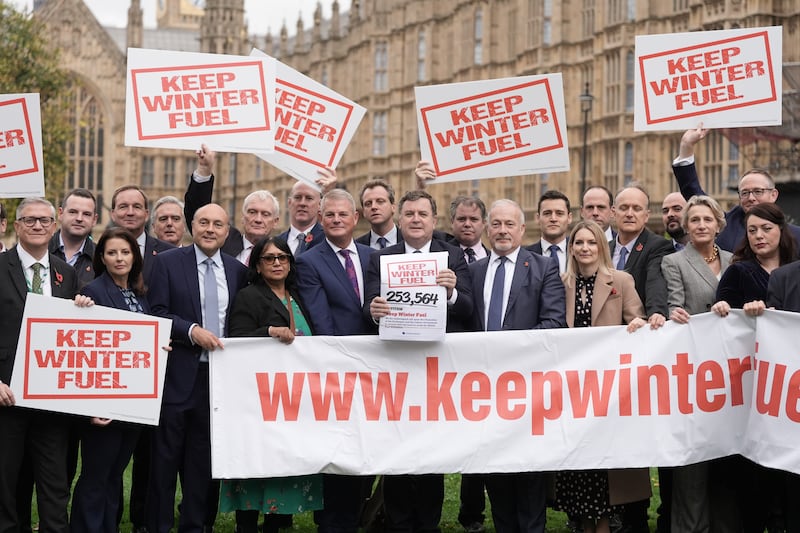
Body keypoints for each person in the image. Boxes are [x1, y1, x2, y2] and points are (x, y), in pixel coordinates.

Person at [366, 189, 473, 533]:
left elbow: (469, 310)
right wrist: (373, 309)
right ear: (399, 219)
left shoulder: (453, 257)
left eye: (422, 214)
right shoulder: (381, 258)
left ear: (434, 220)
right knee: (397, 445)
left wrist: (453, 292)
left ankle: (428, 522)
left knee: (431, 449)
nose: (415, 219)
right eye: (409, 213)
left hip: (435, 370)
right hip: (396, 368)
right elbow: (366, 306)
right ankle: (398, 521)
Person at [145, 203, 248, 533]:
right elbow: (157, 312)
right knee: (165, 459)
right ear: (193, 225)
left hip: (218, 380)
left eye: (218, 224)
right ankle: (158, 524)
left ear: (227, 231)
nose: (210, 229)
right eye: (204, 222)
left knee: (202, 460)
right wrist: (191, 331)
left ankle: (194, 524)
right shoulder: (168, 264)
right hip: (177, 374)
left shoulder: (236, 271)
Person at [469, 199, 566, 533]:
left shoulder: (542, 267)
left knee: (528, 476)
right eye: (496, 224)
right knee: (495, 475)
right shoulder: (475, 270)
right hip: (484, 390)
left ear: (523, 229)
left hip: (527, 388)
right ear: (487, 227)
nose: (502, 230)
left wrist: (505, 347)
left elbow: (554, 324)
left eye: (509, 224)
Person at [221, 236, 323, 533]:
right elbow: (237, 338)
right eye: (269, 258)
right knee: (258, 466)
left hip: (295, 401)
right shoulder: (249, 296)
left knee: (286, 465)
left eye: (282, 257)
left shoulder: (298, 296)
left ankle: (278, 525)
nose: (277, 263)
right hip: (259, 401)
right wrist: (268, 331)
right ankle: (248, 526)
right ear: (258, 264)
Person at [555, 220, 648, 533]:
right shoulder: (561, 282)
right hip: (571, 391)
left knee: (603, 467)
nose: (585, 248)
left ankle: (605, 525)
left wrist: (636, 326)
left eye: (591, 243)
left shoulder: (619, 281)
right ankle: (581, 523)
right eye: (579, 243)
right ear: (571, 248)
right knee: (577, 464)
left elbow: (639, 320)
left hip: (608, 391)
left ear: (601, 247)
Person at [710, 202, 797, 533]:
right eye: (752, 231)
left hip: (790, 389)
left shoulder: (795, 270)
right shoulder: (739, 271)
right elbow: (721, 320)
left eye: (766, 229)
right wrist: (727, 309)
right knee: (758, 474)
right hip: (753, 386)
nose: (759, 236)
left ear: (781, 230)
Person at [295, 189, 375, 533]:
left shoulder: (375, 257)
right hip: (337, 368)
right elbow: (320, 319)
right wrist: (343, 359)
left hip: (375, 370)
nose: (337, 220)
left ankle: (357, 514)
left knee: (368, 447)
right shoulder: (309, 261)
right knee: (338, 449)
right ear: (321, 219)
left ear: (355, 218)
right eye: (330, 215)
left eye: (343, 215)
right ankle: (332, 521)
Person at [0, 198, 79, 533]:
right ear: (16, 226)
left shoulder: (68, 274)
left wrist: (84, 309)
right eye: (29, 220)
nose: (37, 226)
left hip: (51, 400)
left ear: (54, 226)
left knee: (54, 483)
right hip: (8, 396)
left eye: (44, 221)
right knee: (5, 482)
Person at [69, 227, 155, 533]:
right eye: (112, 253)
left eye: (125, 252)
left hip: (131, 404)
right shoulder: (93, 293)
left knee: (114, 474)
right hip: (103, 406)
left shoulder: (138, 293)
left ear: (135, 256)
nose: (119, 258)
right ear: (102, 258)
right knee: (96, 475)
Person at [659, 195, 732, 533]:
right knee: (693, 463)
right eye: (694, 220)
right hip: (693, 374)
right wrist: (676, 315)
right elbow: (675, 305)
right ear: (686, 227)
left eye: (707, 219)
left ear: (719, 224)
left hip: (733, 375)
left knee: (727, 463)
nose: (701, 225)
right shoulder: (674, 263)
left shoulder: (736, 261)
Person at [671, 124, 800, 252]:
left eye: (758, 191)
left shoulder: (796, 236)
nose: (751, 198)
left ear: (773, 195)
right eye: (745, 193)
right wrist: (686, 145)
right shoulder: (725, 225)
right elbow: (693, 193)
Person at [184, 145, 284, 264]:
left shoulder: (281, 253)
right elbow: (197, 212)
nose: (258, 219)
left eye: (265, 214)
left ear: (276, 221)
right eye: (252, 212)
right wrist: (204, 169)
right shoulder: (224, 240)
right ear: (243, 217)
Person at [49, 188, 98, 288]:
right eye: (73, 212)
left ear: (94, 220)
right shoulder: (41, 250)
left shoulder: (101, 258)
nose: (79, 218)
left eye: (86, 214)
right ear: (60, 214)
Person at [526, 190, 572, 273]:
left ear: (569, 218)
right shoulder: (525, 256)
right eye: (547, 213)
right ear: (537, 218)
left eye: (559, 213)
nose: (553, 219)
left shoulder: (579, 251)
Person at [278, 181, 327, 256]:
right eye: (297, 198)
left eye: (309, 198)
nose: (302, 203)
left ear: (320, 205)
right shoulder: (275, 243)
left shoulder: (328, 240)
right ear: (289, 203)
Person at [356, 178, 401, 249]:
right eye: (368, 204)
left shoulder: (410, 241)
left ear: (393, 207)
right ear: (364, 211)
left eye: (380, 201)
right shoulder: (356, 247)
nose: (373, 207)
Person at [448, 196, 489, 264]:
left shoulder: (493, 259)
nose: (467, 224)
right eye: (462, 219)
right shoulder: (440, 255)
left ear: (484, 223)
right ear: (452, 222)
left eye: (473, 219)